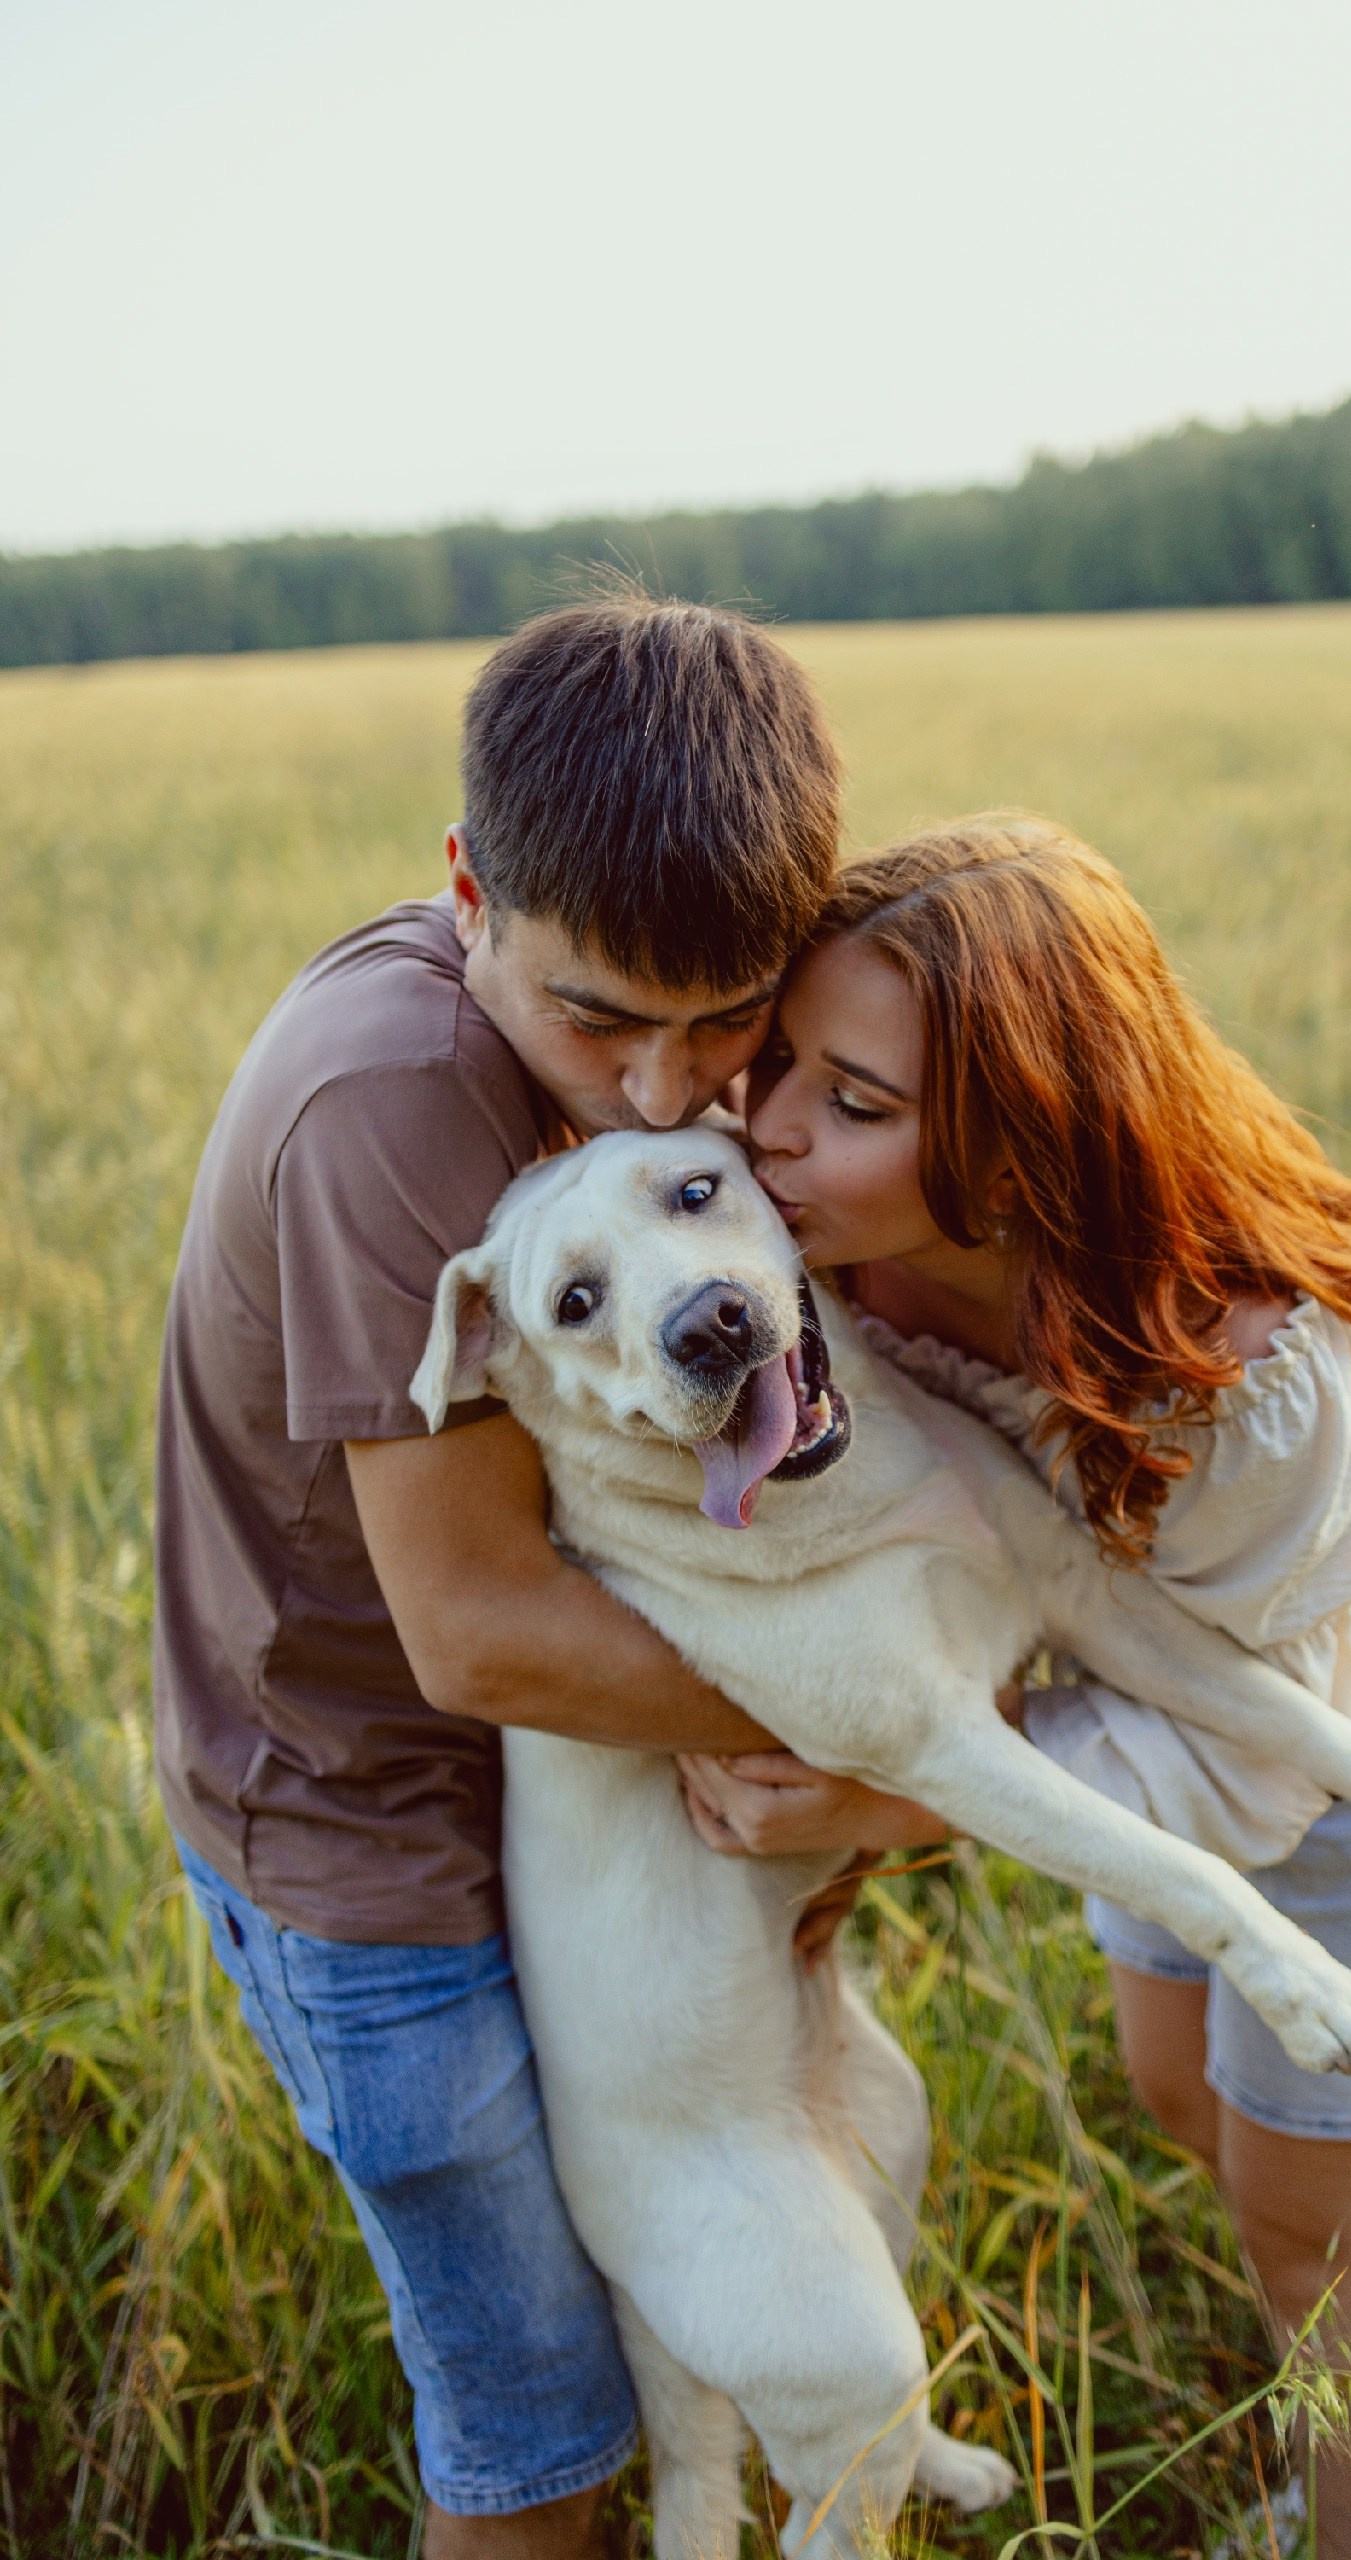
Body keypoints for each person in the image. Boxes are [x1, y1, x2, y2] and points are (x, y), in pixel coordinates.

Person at [679, 817, 1351, 2560]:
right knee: (1185, 2090)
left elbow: (1259, 1759)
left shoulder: (1245, 1376)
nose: (766, 1130)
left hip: (1350, 1697)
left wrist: (894, 1798)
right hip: (1125, 1673)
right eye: (778, 1063)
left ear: (1021, 1146)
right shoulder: (798, 1213)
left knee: (1321, 2223)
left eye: (854, 1104)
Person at [153, 593, 851, 2560]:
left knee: (653, 2362)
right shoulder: (395, 1099)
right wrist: (908, 1728)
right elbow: (476, 1631)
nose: (661, 1088)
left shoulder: (635, 1023)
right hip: (371, 1853)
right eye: (597, 1016)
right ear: (468, 886)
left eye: (725, 1017)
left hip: (574, 1802)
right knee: (534, 2442)